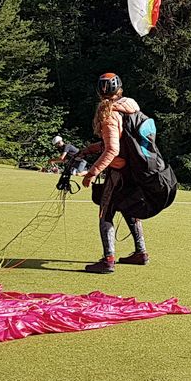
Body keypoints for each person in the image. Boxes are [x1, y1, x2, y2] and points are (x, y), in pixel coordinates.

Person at [80, 72, 148, 273]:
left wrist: (92, 173)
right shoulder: (131, 108)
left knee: (106, 212)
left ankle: (108, 259)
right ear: (120, 90)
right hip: (134, 171)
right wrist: (90, 149)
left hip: (118, 173)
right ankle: (140, 253)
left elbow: (112, 150)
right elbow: (118, 141)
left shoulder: (109, 114)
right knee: (129, 210)